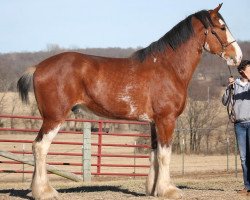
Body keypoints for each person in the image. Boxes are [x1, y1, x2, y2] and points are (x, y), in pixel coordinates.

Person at [222, 60, 250, 195]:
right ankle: (247, 186)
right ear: (242, 71)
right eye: (249, 69)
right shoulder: (235, 85)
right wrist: (229, 87)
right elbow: (224, 102)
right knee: (244, 158)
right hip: (239, 124)